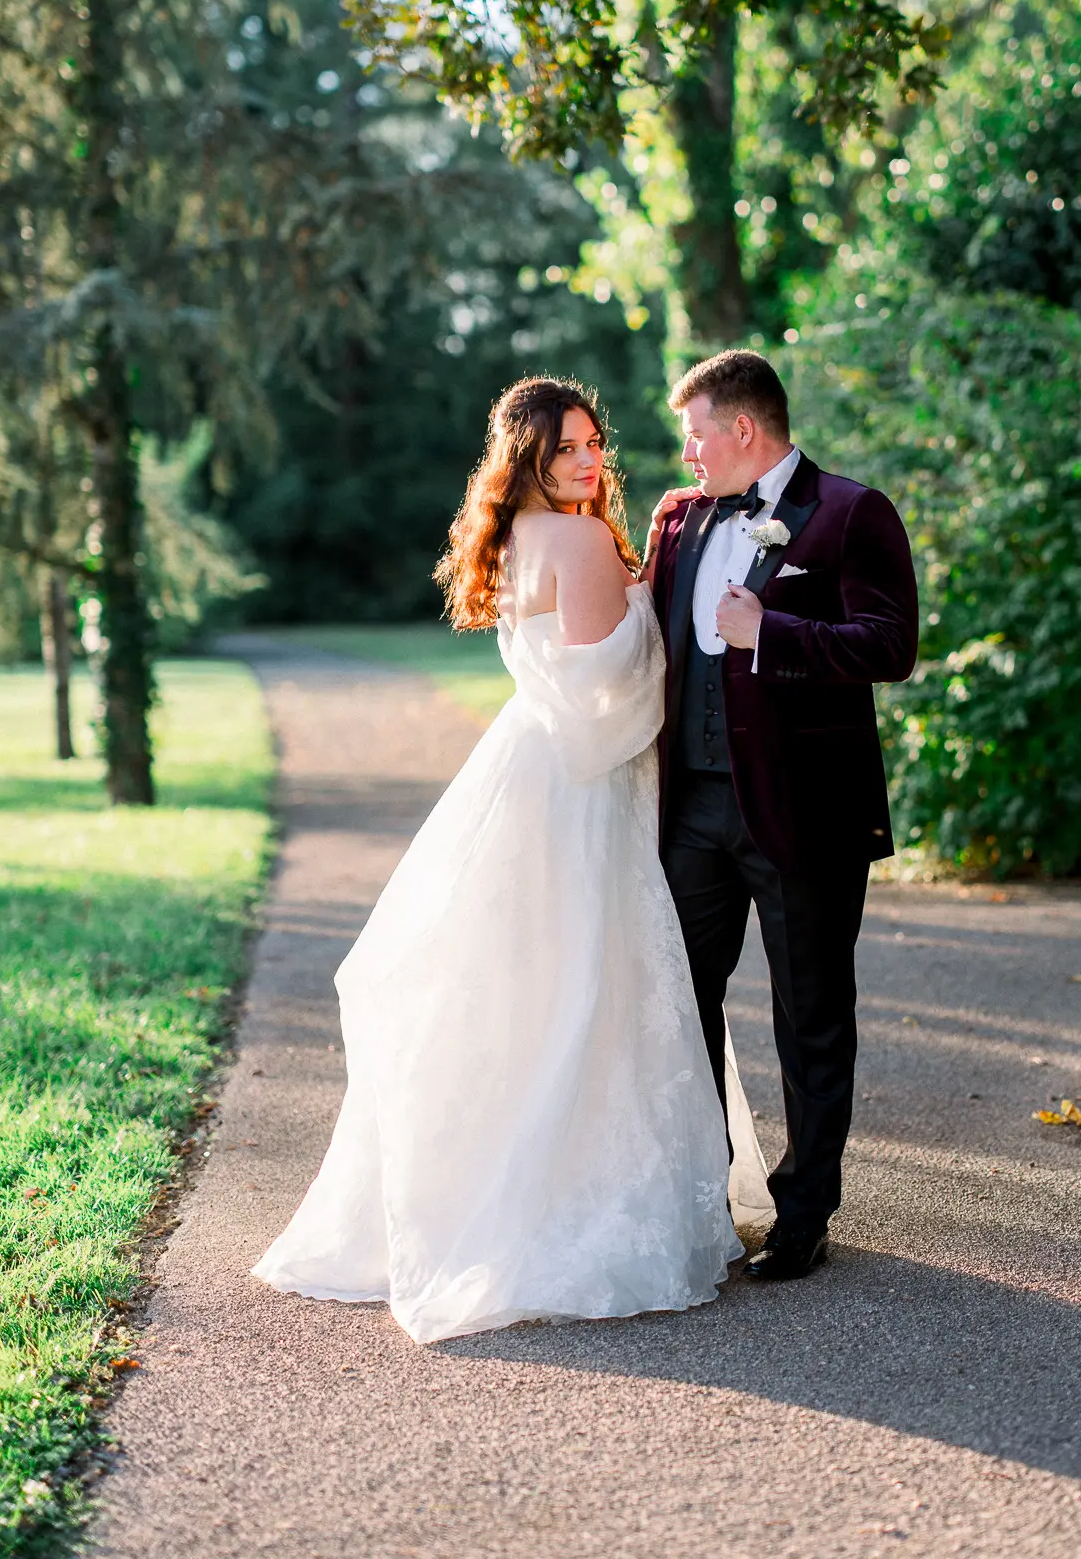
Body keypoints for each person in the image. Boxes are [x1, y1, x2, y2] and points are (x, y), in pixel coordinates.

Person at [252, 376, 765, 1345]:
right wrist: (662, 612)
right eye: (567, 447)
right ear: (528, 456)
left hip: (520, 769)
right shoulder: (576, 539)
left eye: (591, 442)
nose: (588, 460)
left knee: (531, 987)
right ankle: (579, 1209)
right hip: (579, 787)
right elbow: (610, 699)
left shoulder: (522, 537)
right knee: (590, 986)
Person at [643, 350, 919, 1282]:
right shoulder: (679, 520)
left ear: (744, 430)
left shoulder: (850, 512)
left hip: (805, 814)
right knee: (681, 1005)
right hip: (693, 812)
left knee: (809, 1013)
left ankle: (804, 1216)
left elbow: (891, 645)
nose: (686, 453)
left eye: (696, 433)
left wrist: (776, 633)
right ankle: (698, 1200)